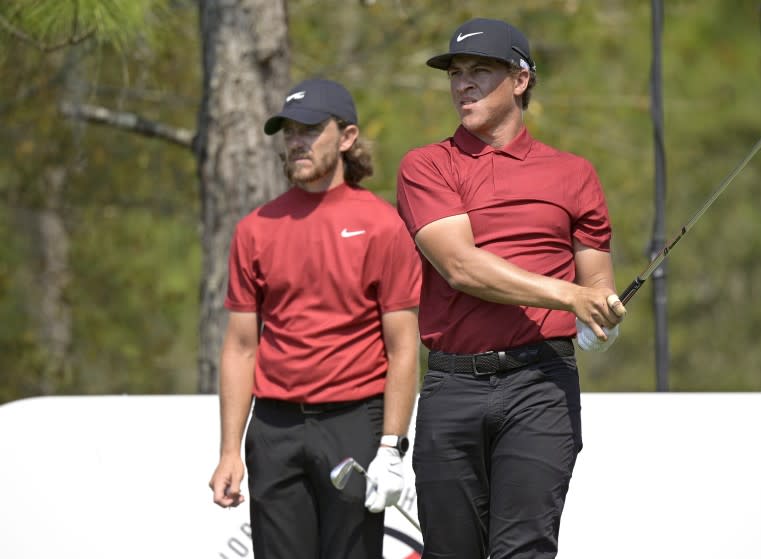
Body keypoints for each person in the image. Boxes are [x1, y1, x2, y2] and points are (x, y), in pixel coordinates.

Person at [395, 18, 626, 559]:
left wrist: (602, 319)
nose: (463, 84)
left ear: (520, 80)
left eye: (480, 71)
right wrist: (570, 298)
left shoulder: (574, 175)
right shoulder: (426, 166)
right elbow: (460, 267)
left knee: (525, 550)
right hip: (452, 385)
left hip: (541, 385)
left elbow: (597, 287)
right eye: (456, 73)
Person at [208, 78, 421, 559]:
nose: (297, 142)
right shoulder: (255, 229)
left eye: (310, 129)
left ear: (347, 137)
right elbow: (242, 347)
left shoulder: (382, 225)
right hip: (274, 429)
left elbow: (403, 347)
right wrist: (229, 451)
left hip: (353, 422)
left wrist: (391, 446)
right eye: (289, 132)